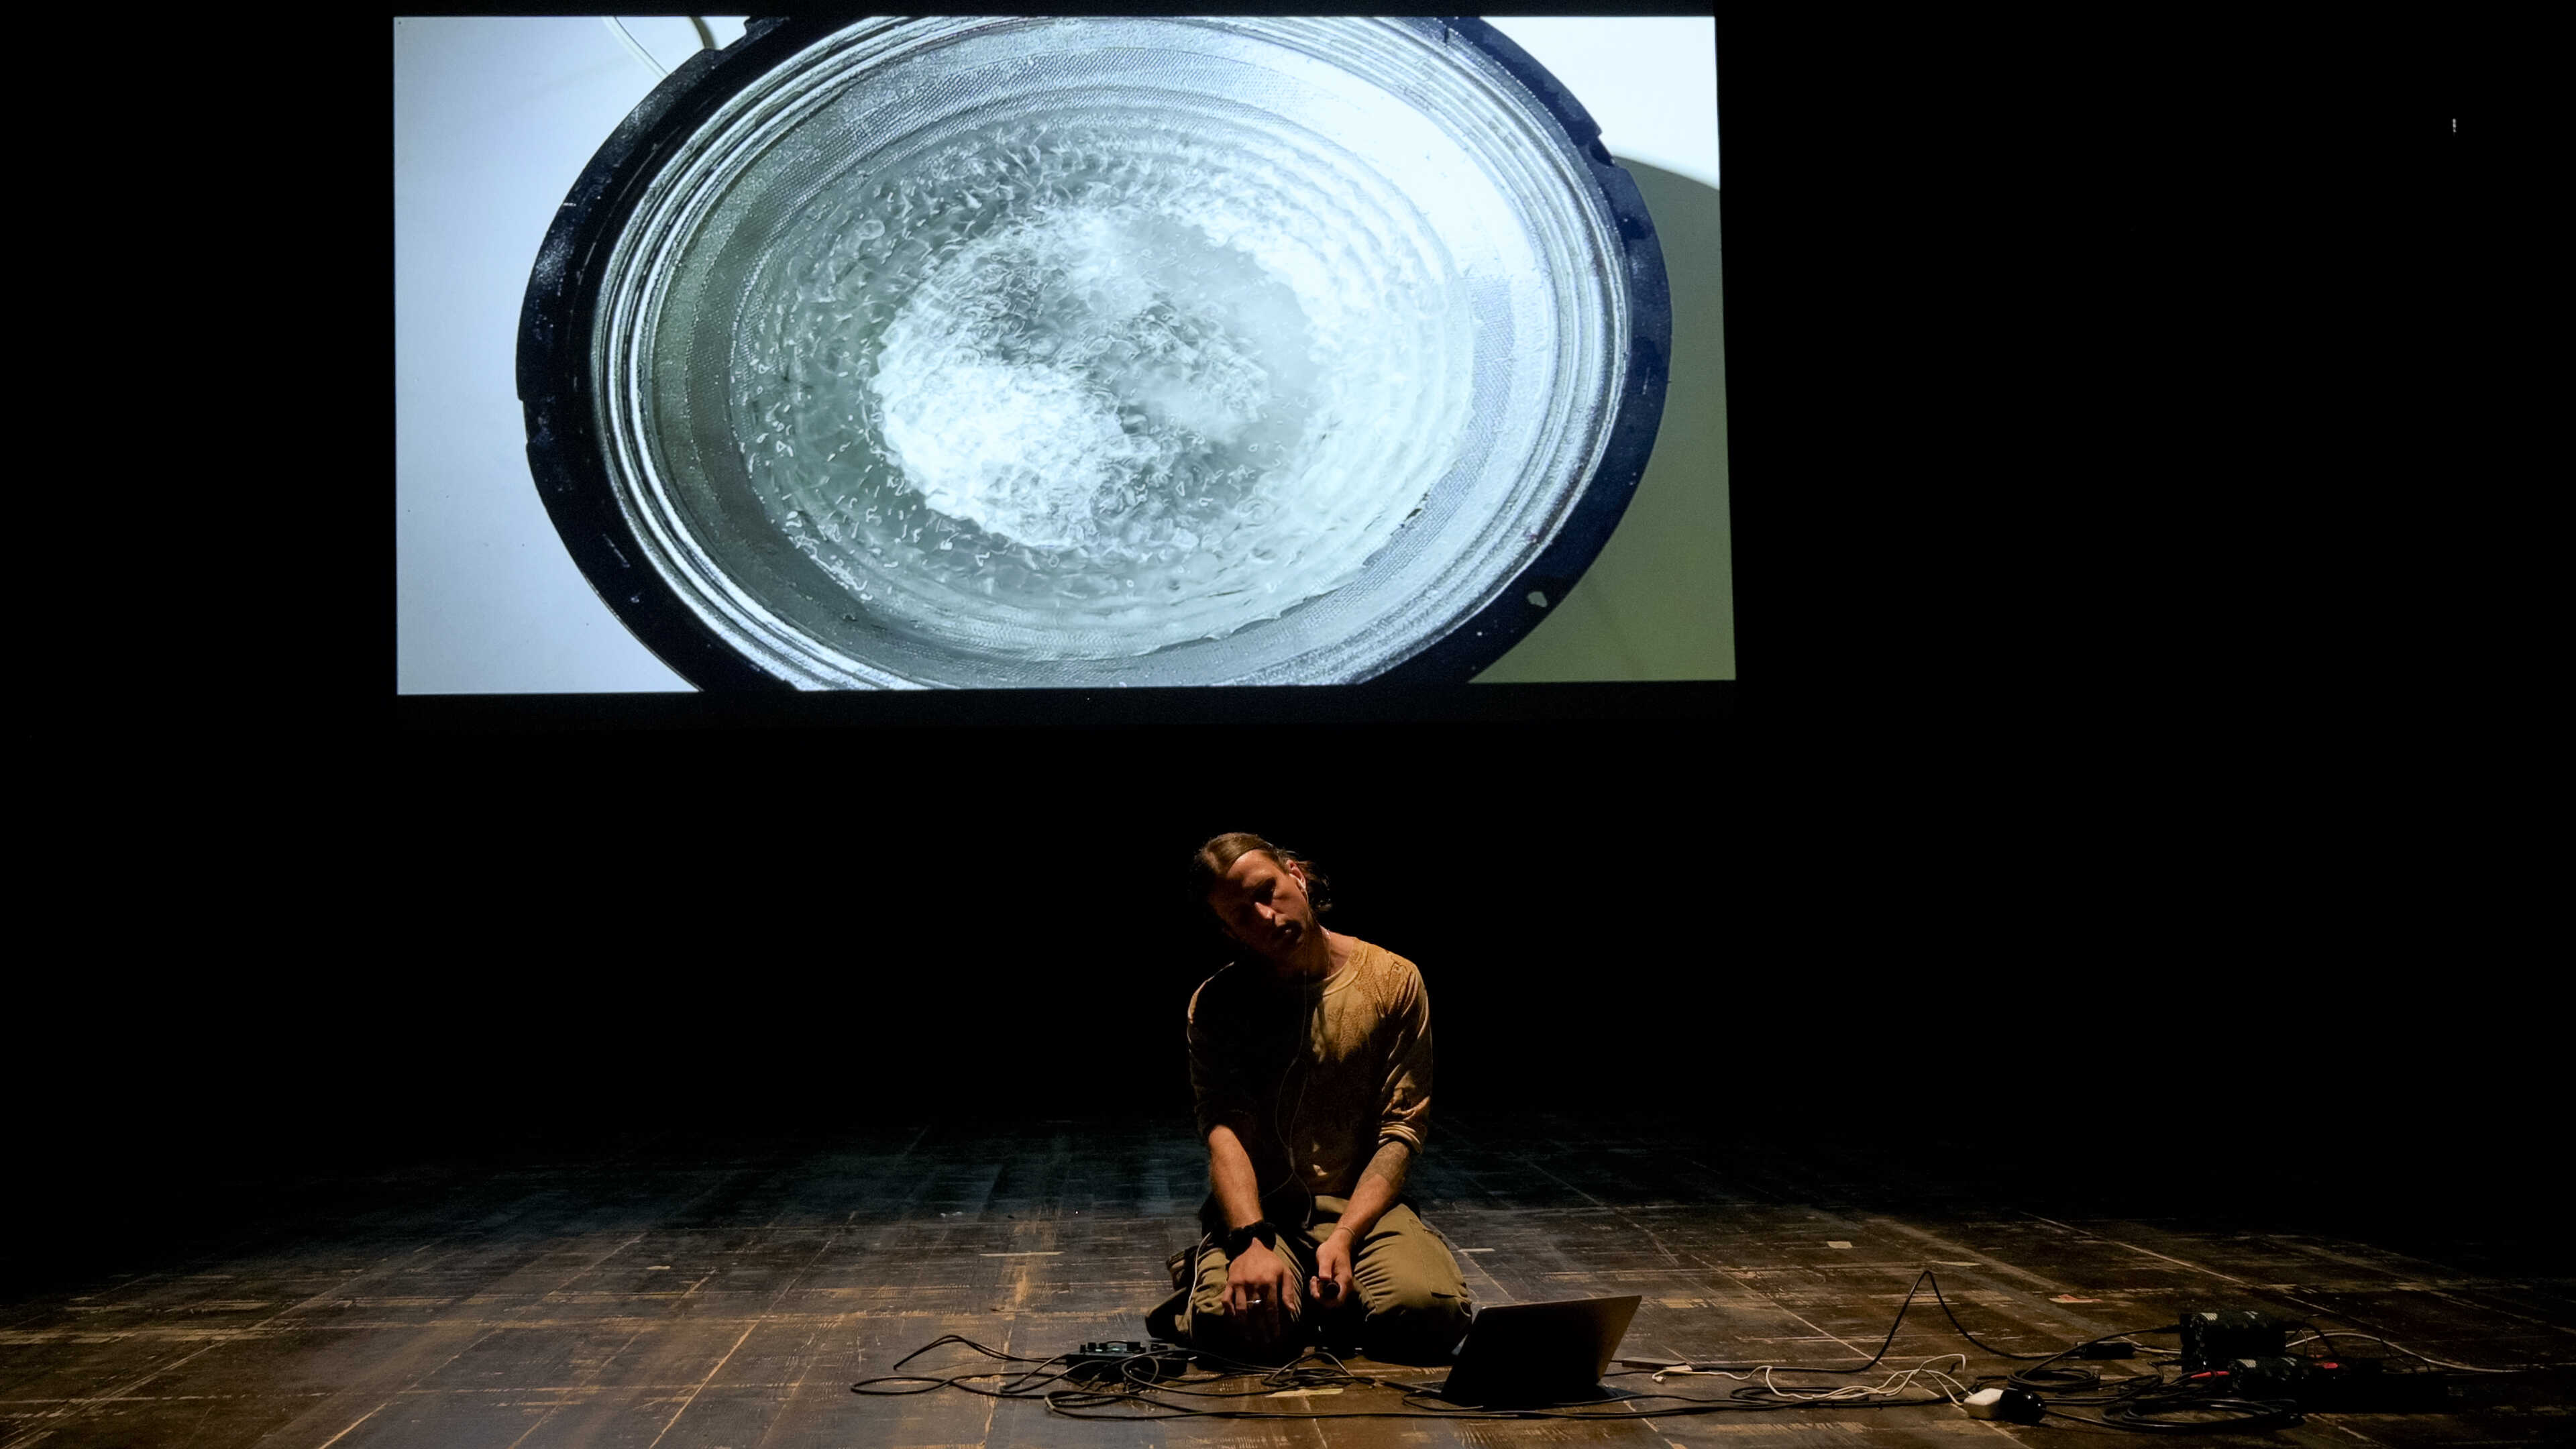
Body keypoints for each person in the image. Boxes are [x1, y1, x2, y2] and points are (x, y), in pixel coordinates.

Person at [1144, 832, 1472, 1365]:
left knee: (1426, 1314)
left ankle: (1328, 1291)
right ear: (1229, 931)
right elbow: (1223, 1131)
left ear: (1295, 875)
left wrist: (1344, 1237)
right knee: (1228, 1327)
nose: (1266, 918)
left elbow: (1401, 1133)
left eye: (1267, 891)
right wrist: (1250, 1241)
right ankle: (1244, 1279)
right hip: (1265, 1213)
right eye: (1241, 915)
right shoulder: (1219, 1003)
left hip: (1362, 1210)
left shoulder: (1392, 980)